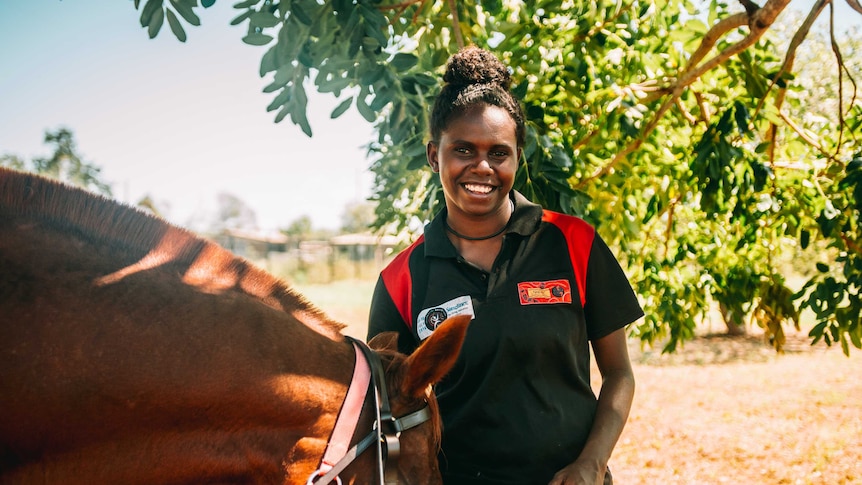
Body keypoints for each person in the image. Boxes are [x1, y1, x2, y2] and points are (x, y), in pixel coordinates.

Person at [367, 46, 643, 485]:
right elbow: (387, 408)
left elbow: (619, 374)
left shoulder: (573, 244)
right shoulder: (402, 278)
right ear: (434, 155)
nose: (482, 167)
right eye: (463, 150)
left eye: (499, 152)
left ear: (517, 157)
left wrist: (590, 464)